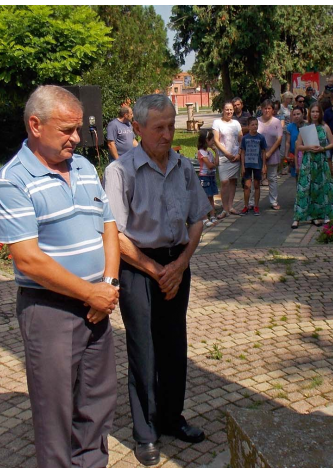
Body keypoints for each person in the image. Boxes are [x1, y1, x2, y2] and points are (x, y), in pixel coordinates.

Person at [0, 85, 120, 468]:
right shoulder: (11, 180)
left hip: (98, 303)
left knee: (97, 400)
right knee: (56, 411)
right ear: (35, 124)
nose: (76, 138)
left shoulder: (82, 167)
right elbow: (28, 261)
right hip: (50, 311)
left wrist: (108, 287)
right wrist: (89, 294)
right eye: (67, 130)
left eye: (78, 129)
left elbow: (109, 227)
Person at [103, 94, 210, 467]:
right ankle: (146, 432)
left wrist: (180, 264)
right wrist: (154, 269)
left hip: (176, 265)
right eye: (158, 128)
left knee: (174, 346)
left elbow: (198, 218)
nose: (167, 135)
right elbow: (113, 233)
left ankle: (171, 418)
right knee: (144, 352)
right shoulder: (121, 171)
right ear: (137, 129)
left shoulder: (183, 166)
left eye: (171, 125)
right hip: (138, 269)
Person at [292, 103, 333, 228]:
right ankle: (298, 217)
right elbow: (298, 146)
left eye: (317, 112)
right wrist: (308, 147)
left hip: (321, 160)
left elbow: (332, 144)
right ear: (309, 113)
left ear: (320, 113)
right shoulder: (305, 127)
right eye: (313, 112)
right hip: (308, 160)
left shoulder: (325, 127)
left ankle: (317, 216)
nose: (315, 114)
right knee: (303, 188)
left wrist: (323, 148)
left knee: (320, 188)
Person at [212, 102, 243, 218]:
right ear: (223, 110)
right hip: (224, 157)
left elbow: (241, 139)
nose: (229, 112)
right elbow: (216, 140)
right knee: (224, 182)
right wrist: (227, 154)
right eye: (227, 109)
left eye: (231, 110)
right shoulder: (217, 122)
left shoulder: (236, 123)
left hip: (235, 157)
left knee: (233, 181)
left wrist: (239, 153)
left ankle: (230, 206)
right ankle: (224, 209)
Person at [254, 100, 284, 209]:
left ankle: (273, 201)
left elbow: (279, 138)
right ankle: (253, 202)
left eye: (269, 108)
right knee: (256, 179)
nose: (267, 110)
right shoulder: (256, 121)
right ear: (261, 109)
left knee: (272, 178)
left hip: (272, 153)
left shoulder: (276, 122)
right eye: (265, 108)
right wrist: (261, 153)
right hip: (257, 154)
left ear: (272, 110)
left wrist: (269, 152)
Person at [239, 117, 268, 216]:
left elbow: (264, 152)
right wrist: (242, 165)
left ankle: (256, 206)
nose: (255, 126)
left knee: (256, 185)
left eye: (256, 124)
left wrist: (264, 165)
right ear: (248, 126)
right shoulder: (245, 138)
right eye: (252, 124)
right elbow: (242, 152)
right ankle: (246, 206)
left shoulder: (261, 138)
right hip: (247, 165)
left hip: (257, 165)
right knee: (247, 186)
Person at [197, 129, 218, 226]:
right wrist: (213, 164)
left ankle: (212, 216)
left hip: (211, 176)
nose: (213, 142)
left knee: (211, 197)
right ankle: (204, 218)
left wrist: (216, 152)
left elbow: (216, 163)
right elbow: (210, 165)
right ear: (206, 141)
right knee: (205, 197)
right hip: (204, 177)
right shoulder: (201, 152)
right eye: (212, 140)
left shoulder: (209, 152)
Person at [282, 106, 306, 179]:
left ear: (303, 114)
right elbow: (288, 142)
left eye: (298, 114)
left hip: (305, 154)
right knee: (297, 177)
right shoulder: (290, 127)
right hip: (294, 155)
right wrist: (286, 154)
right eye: (294, 115)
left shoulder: (307, 125)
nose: (296, 116)